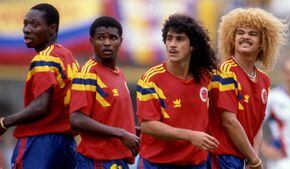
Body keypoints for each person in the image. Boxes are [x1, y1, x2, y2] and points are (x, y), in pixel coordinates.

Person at [136, 13, 220, 169]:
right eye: (169, 38)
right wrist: (190, 135)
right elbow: (147, 126)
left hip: (196, 163)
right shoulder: (151, 79)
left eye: (180, 39)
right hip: (157, 164)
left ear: (192, 46)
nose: (172, 44)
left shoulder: (206, 78)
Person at [0, 3, 78, 169]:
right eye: (25, 24)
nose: (27, 29)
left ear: (52, 29)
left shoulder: (44, 59)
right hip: (66, 144)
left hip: (39, 141)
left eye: (35, 25)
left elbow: (41, 106)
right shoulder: (67, 56)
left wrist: (5, 122)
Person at [208, 8, 288, 169]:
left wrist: (254, 158)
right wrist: (254, 159)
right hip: (222, 156)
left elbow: (257, 126)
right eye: (240, 32)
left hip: (245, 158)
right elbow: (229, 121)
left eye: (253, 34)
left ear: (263, 43)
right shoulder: (225, 71)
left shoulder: (264, 80)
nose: (245, 37)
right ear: (232, 38)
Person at [69, 16, 139, 169]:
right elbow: (77, 119)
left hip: (118, 160)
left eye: (112, 38)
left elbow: (108, 115)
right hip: (95, 161)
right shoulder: (87, 73)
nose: (107, 42)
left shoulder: (119, 73)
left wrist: (131, 130)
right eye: (101, 37)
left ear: (120, 41)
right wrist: (121, 133)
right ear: (91, 41)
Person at [262, 56, 290, 169]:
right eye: (289, 73)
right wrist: (265, 149)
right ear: (284, 73)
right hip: (283, 162)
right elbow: (254, 126)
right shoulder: (273, 98)